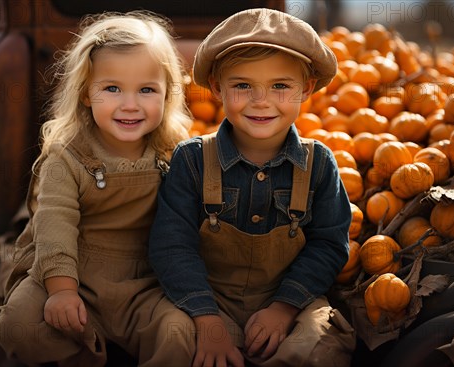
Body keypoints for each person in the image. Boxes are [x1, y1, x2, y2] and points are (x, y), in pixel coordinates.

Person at [0, 10, 193, 366]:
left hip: (143, 283)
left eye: (146, 90)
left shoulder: (175, 153)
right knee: (18, 323)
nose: (130, 104)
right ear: (85, 94)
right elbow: (54, 226)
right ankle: (83, 352)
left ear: (168, 94)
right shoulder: (68, 159)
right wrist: (62, 291)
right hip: (71, 272)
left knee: (179, 331)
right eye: (111, 88)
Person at [149, 8, 356, 367]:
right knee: (174, 339)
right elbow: (171, 246)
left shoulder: (319, 164)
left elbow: (328, 245)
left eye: (280, 85)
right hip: (206, 298)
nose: (261, 100)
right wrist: (206, 318)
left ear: (305, 88)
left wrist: (284, 308)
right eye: (243, 85)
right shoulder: (192, 160)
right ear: (217, 87)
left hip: (290, 299)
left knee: (322, 342)